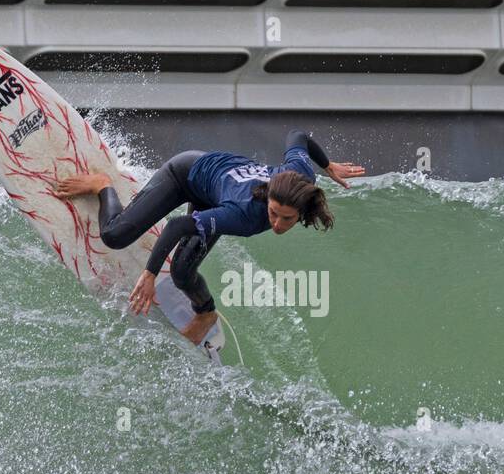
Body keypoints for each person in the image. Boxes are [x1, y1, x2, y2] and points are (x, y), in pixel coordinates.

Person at [54, 130, 365, 344]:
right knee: (114, 235)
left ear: (301, 209)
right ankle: (102, 185)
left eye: (287, 218)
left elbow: (298, 136)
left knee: (181, 271)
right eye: (273, 213)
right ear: (268, 198)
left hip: (215, 193)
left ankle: (206, 313)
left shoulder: (300, 177)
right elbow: (177, 227)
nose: (278, 224)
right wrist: (148, 274)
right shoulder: (243, 215)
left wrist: (327, 165)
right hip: (185, 173)